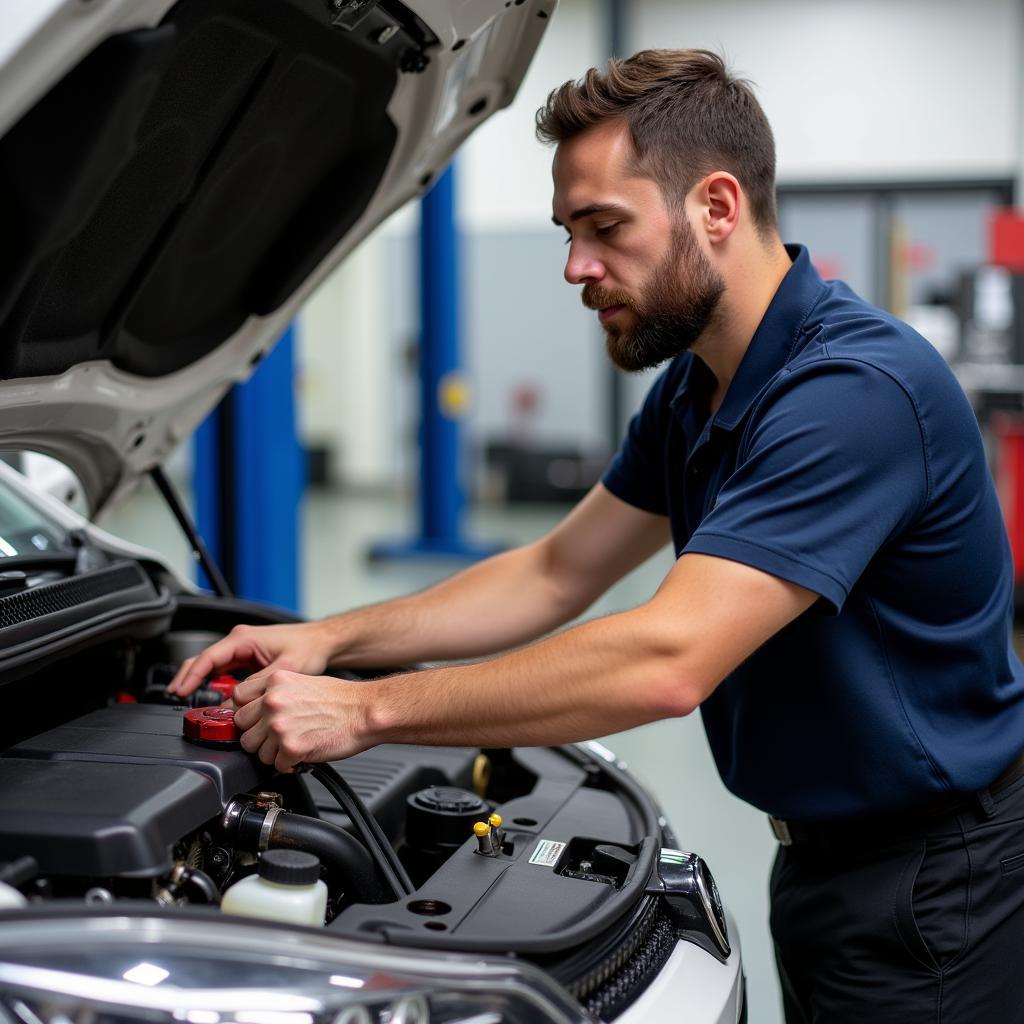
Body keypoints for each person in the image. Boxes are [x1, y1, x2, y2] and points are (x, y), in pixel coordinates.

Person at [168, 49, 1024, 1022]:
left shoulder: (849, 395)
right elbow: (552, 570)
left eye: (604, 228)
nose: (577, 266)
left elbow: (667, 658)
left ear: (715, 205)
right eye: (566, 231)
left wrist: (365, 712)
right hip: (830, 865)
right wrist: (333, 640)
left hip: (937, 886)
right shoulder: (700, 386)